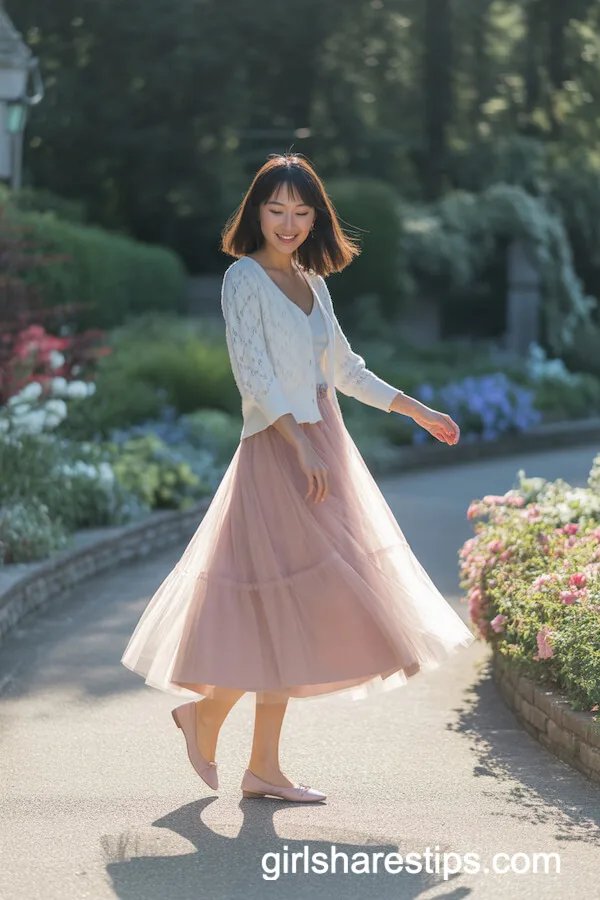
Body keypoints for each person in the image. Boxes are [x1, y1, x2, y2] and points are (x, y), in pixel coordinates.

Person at [121, 152, 474, 803]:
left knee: (300, 605)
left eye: (301, 211)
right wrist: (297, 445)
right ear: (256, 211)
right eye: (276, 209)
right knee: (280, 600)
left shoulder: (314, 281)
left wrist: (417, 409)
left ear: (316, 217)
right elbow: (252, 373)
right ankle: (213, 724)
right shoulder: (243, 280)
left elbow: (345, 369)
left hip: (324, 447)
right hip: (277, 451)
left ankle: (259, 764)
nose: (288, 222)